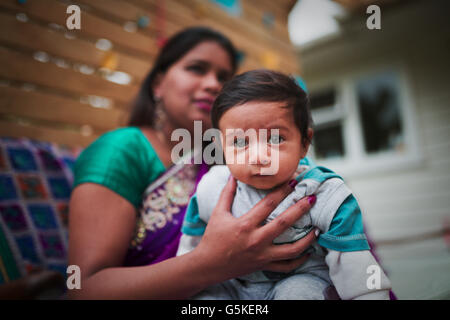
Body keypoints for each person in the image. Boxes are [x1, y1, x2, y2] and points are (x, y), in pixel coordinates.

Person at [68, 27, 319, 300]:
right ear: (158, 85)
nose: (213, 84)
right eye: (197, 69)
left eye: (224, 77)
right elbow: (84, 289)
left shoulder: (233, 160)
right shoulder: (122, 150)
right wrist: (210, 265)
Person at [177, 69, 393, 300]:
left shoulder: (324, 192)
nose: (258, 157)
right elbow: (192, 243)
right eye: (240, 142)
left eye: (276, 139)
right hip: (231, 284)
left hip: (301, 278)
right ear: (222, 146)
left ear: (304, 142)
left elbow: (356, 264)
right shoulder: (213, 186)